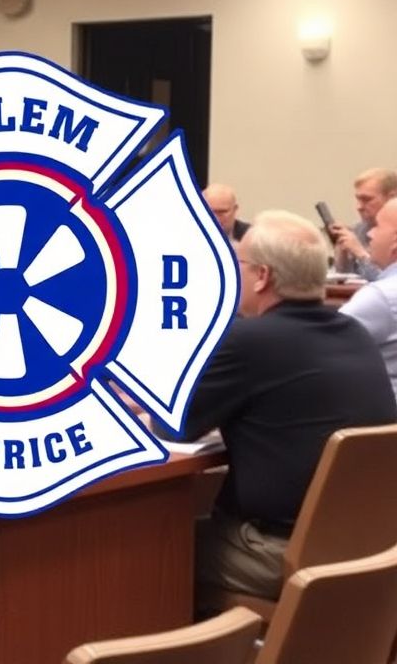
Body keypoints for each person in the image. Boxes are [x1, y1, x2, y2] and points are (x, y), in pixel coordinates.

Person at [167, 210, 396, 615]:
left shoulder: (249, 341)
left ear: (262, 276)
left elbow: (174, 426)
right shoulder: (355, 334)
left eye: (238, 263)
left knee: (152, 549)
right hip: (367, 548)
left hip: (279, 552)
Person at [340, 198, 397, 397]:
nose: (370, 234)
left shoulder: (381, 297)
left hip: (382, 423)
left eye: (377, 227)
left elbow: (322, 347)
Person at [331, 167, 397, 280]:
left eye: (367, 199)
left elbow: (387, 282)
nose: (359, 207)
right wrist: (343, 253)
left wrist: (360, 252)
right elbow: (345, 279)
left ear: (391, 198)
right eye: (358, 199)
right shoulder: (359, 229)